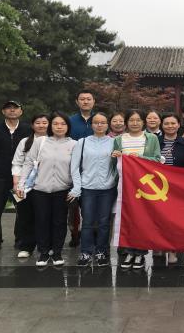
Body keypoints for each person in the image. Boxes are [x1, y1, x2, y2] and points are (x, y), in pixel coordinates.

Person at [17, 112, 77, 266]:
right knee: (41, 221)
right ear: (51, 126)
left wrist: (76, 188)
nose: (59, 127)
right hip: (40, 189)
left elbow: (77, 168)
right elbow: (29, 163)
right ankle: (43, 253)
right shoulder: (41, 142)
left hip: (62, 189)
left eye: (63, 124)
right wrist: (21, 184)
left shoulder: (74, 144)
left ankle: (56, 252)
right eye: (55, 123)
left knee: (59, 222)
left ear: (68, 126)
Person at [112, 109, 161, 269]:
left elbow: (157, 159)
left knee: (142, 219)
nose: (135, 123)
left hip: (145, 186)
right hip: (126, 186)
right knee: (128, 218)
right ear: (126, 122)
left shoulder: (151, 138)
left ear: (143, 122)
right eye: (131, 120)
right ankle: (129, 252)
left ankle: (140, 253)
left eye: (138, 120)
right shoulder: (118, 139)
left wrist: (139, 158)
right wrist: (114, 156)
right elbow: (114, 165)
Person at [70, 112, 118, 267]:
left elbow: (119, 165)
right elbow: (74, 167)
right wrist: (77, 187)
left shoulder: (114, 142)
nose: (99, 125)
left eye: (103, 122)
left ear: (107, 125)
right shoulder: (82, 142)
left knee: (104, 222)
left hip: (107, 188)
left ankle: (101, 251)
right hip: (87, 188)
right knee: (88, 222)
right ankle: (86, 252)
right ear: (91, 125)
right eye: (96, 122)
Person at [0, 101, 31, 254]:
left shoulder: (27, 129)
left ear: (21, 111)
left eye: (15, 108)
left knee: (21, 210)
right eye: (8, 108)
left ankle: (20, 239)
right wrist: (2, 164)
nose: (12, 110)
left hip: (20, 178)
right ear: (3, 111)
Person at [11, 114, 49, 258]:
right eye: (38, 122)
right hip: (26, 184)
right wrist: (17, 183)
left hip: (45, 184)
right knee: (25, 216)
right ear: (32, 125)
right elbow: (17, 163)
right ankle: (26, 246)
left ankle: (45, 245)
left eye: (44, 122)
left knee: (44, 216)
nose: (41, 125)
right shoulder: (25, 141)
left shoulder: (53, 141)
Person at [158, 113, 184, 263]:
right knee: (159, 218)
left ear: (178, 125)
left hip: (179, 188)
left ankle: (173, 250)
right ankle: (159, 245)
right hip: (159, 187)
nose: (170, 126)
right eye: (166, 123)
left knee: (175, 221)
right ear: (162, 125)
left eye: (173, 123)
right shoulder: (155, 141)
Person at [68, 90, 96, 247]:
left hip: (93, 170)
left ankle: (90, 234)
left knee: (90, 206)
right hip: (72, 169)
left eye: (88, 99)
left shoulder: (99, 120)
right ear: (77, 102)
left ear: (93, 101)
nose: (85, 101)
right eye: (82, 99)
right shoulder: (70, 121)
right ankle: (74, 234)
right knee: (73, 205)